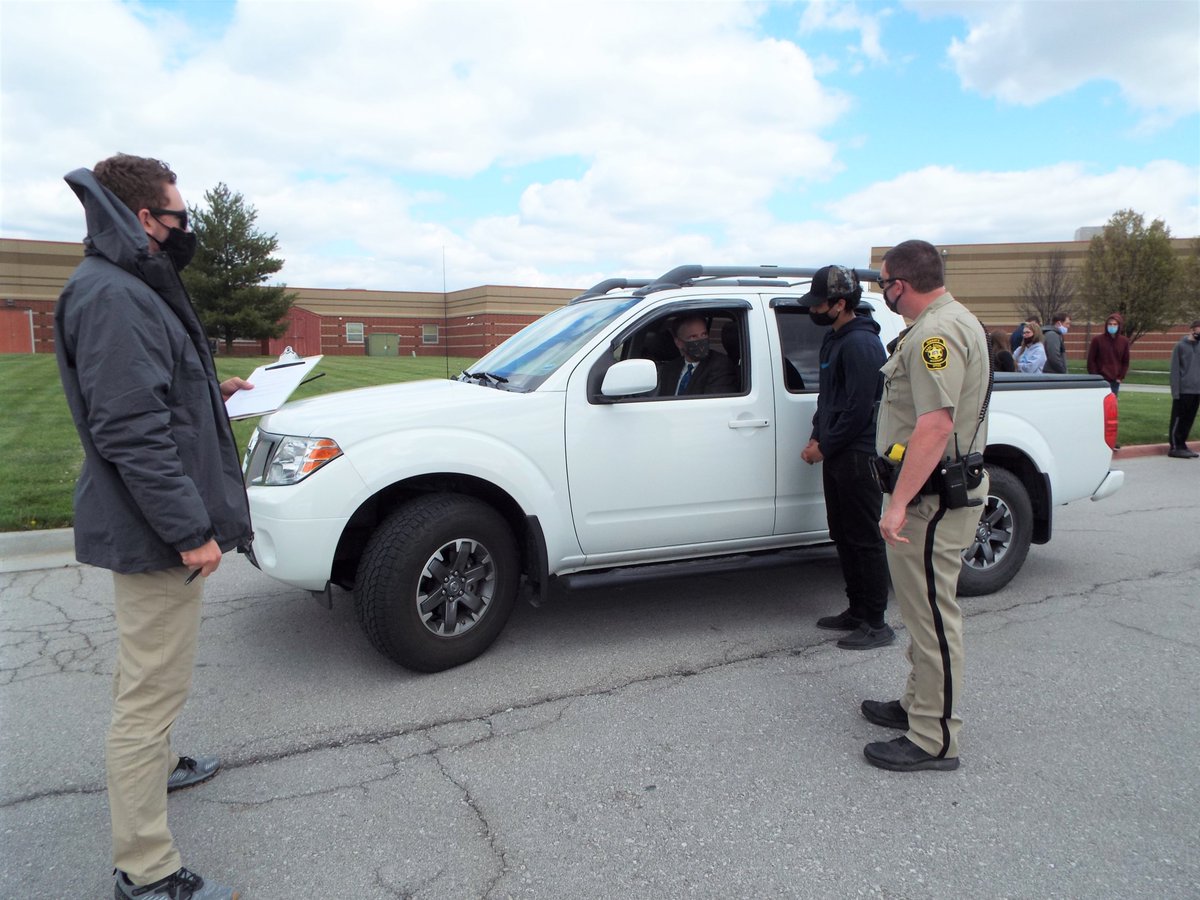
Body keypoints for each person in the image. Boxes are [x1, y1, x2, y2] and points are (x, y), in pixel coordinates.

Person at [54, 154, 252, 900]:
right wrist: (189, 532)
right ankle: (145, 868)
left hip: (155, 523)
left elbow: (156, 398)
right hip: (155, 532)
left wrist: (214, 389)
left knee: (150, 671)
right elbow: (132, 433)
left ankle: (161, 767)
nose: (185, 226)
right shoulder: (114, 295)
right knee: (149, 693)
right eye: (179, 215)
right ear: (144, 218)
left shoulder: (126, 284)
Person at [862, 239, 990, 773]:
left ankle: (934, 738)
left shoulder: (935, 333)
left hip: (931, 499)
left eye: (884, 281)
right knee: (920, 612)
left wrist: (899, 505)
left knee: (934, 617)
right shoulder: (942, 323)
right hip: (928, 493)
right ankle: (918, 706)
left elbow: (935, 425)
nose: (883, 290)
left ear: (901, 284)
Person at [799, 265, 894, 650]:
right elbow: (829, 398)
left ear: (840, 304)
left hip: (858, 454)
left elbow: (859, 410)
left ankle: (876, 622)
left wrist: (825, 445)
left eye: (819, 303)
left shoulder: (861, 345)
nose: (814, 310)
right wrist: (816, 433)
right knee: (843, 534)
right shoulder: (835, 339)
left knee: (865, 538)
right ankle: (856, 610)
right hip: (839, 452)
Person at [658, 314, 738, 395]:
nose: (701, 340)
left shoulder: (720, 365)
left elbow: (712, 403)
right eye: (693, 337)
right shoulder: (670, 368)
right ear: (679, 343)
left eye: (704, 334)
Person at [1167, 319, 1200, 459]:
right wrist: (1175, 391)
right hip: (1183, 391)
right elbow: (1174, 370)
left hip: (1197, 390)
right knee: (1179, 419)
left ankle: (1182, 445)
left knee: (1189, 419)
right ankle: (1174, 446)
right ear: (1192, 329)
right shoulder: (1180, 346)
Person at [1087, 312, 1131, 394]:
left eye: (1115, 324)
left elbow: (1125, 361)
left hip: (1115, 380)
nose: (1112, 326)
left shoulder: (1124, 341)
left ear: (1119, 326)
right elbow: (1091, 360)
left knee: (1111, 404)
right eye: (1110, 324)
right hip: (1100, 379)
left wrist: (1120, 377)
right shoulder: (1097, 340)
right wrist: (1095, 376)